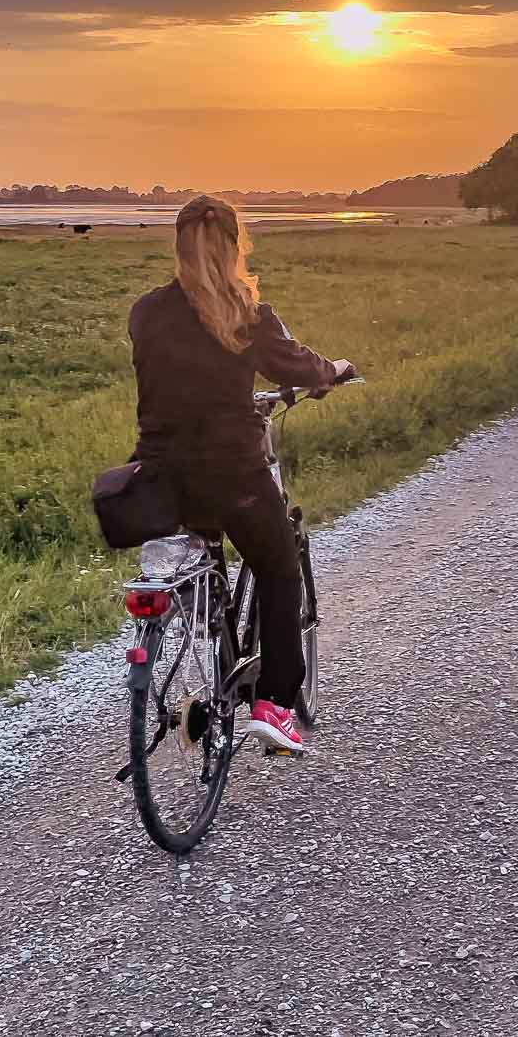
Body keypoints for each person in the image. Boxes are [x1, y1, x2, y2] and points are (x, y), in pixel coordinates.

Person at [127, 195, 354, 753]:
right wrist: (334, 372)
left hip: (158, 475)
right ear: (235, 247)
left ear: (179, 246)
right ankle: (273, 705)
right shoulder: (246, 313)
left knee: (202, 556)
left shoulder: (146, 311)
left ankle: (201, 632)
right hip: (233, 472)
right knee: (279, 569)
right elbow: (297, 364)